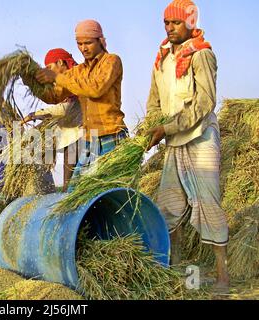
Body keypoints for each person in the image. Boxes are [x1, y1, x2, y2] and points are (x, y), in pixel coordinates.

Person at [146, 0, 230, 292]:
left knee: (208, 204)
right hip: (174, 142)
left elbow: (205, 102)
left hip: (200, 139)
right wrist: (150, 126)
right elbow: (154, 99)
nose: (170, 28)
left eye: (176, 23)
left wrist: (166, 128)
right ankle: (179, 272)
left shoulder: (202, 54)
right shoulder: (162, 57)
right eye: (167, 23)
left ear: (190, 23)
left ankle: (222, 277)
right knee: (169, 207)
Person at [34, 20, 128, 185]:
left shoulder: (112, 61)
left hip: (111, 136)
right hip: (89, 140)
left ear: (100, 40)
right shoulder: (78, 71)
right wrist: (31, 81)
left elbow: (95, 89)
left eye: (88, 43)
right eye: (79, 44)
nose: (83, 48)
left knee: (111, 188)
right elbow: (54, 97)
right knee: (75, 191)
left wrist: (57, 77)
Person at [22, 48, 83, 192]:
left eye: (50, 67)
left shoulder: (76, 75)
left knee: (72, 185)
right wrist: (32, 83)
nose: (49, 71)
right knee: (69, 186)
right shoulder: (65, 81)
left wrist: (36, 114)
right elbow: (53, 97)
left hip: (85, 134)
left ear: (61, 62)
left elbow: (66, 106)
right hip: (74, 136)